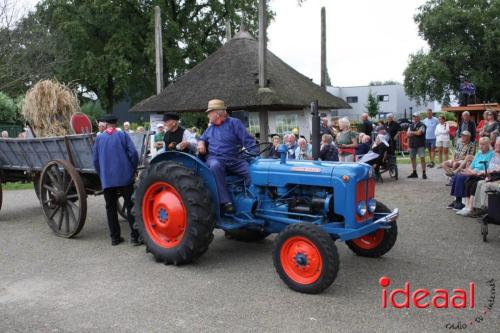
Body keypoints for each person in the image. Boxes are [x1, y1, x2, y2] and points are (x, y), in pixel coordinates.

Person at [197, 99, 256, 214]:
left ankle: (251, 199)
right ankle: (226, 202)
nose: (208, 115)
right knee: (215, 165)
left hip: (234, 158)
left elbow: (247, 140)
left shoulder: (235, 123)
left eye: (209, 112)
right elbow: (201, 138)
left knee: (253, 171)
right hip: (215, 158)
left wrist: (256, 156)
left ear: (217, 113)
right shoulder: (210, 128)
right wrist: (201, 142)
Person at [92, 115, 140, 246]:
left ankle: (115, 238)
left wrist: (102, 174)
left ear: (106, 124)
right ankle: (135, 237)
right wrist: (133, 168)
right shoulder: (123, 135)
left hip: (107, 179)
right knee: (130, 206)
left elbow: (95, 160)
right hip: (125, 176)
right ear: (116, 124)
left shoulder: (99, 138)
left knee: (110, 208)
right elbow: (134, 154)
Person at [450, 137, 494, 213]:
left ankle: (460, 203)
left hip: (481, 173)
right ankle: (457, 200)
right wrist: (470, 171)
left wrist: (474, 172)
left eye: (483, 144)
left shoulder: (491, 154)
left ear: (488, 145)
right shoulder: (478, 153)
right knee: (457, 176)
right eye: (480, 144)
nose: (481, 146)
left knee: (461, 177)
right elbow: (471, 166)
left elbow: (488, 167)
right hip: (472, 171)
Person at [472, 138, 500, 214]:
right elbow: (490, 169)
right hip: (494, 178)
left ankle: (486, 209)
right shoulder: (495, 156)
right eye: (496, 144)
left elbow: (496, 171)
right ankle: (477, 208)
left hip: (498, 182)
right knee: (480, 182)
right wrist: (488, 176)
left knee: (486, 185)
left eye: (498, 145)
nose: (496, 146)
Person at [407, 113, 427, 179]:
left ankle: (424, 173)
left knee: (422, 158)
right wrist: (415, 132)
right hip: (412, 144)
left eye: (416, 117)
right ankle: (414, 172)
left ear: (419, 118)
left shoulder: (422, 125)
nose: (414, 118)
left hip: (420, 144)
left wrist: (412, 132)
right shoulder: (410, 125)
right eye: (414, 117)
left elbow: (419, 133)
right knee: (412, 158)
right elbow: (408, 134)